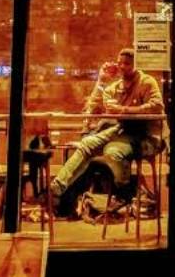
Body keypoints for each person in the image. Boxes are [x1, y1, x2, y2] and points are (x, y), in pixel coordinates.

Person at [49, 48, 164, 212]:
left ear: (136, 65)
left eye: (127, 64)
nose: (122, 67)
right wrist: (101, 81)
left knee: (113, 150)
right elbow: (92, 107)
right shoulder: (116, 87)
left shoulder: (147, 82)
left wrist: (124, 110)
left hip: (146, 135)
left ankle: (123, 193)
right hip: (123, 130)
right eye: (120, 63)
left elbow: (157, 106)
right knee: (87, 143)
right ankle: (57, 188)